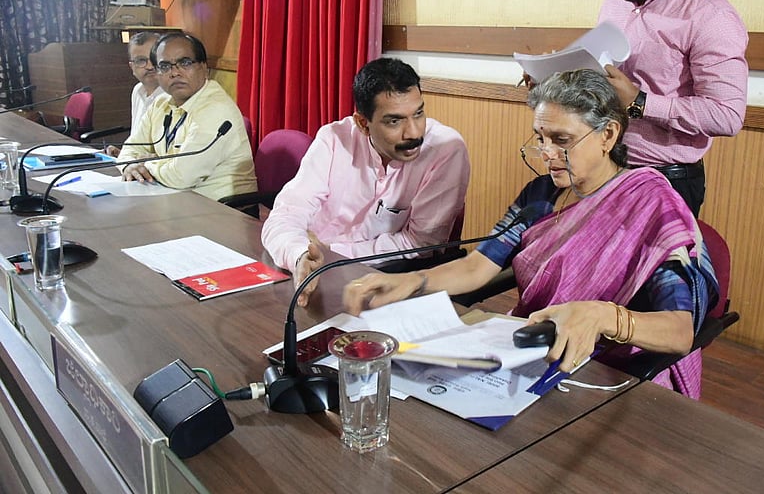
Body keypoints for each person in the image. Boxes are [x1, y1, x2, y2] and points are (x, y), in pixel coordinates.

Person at [344, 69, 718, 398]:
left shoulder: (651, 203)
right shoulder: (541, 196)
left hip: (615, 376)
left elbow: (680, 331)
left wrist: (604, 317)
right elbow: (479, 266)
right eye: (540, 138)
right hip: (537, 355)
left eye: (562, 140)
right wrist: (411, 281)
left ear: (608, 135)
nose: (547, 153)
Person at [577, 0, 749, 217]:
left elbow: (727, 114)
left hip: (666, 181)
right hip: (605, 166)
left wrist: (641, 102)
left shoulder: (710, 16)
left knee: (654, 270)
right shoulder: (617, 1)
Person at [262, 57, 470, 305]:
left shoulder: (445, 149)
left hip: (384, 285)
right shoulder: (334, 139)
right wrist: (301, 255)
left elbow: (419, 243)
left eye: (418, 114)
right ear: (363, 123)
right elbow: (286, 215)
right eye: (394, 121)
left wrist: (329, 252)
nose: (414, 133)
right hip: (310, 276)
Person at [117, 32, 257, 201]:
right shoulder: (161, 103)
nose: (175, 73)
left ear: (204, 67)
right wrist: (129, 166)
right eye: (165, 66)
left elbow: (181, 176)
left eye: (185, 63)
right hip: (173, 200)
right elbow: (130, 149)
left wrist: (146, 164)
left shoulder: (216, 109)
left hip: (222, 212)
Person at [105, 32, 165, 157]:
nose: (149, 66)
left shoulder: (174, 95)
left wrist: (132, 158)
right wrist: (123, 154)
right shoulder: (137, 91)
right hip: (136, 167)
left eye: (154, 58)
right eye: (141, 61)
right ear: (132, 67)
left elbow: (173, 155)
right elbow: (138, 142)